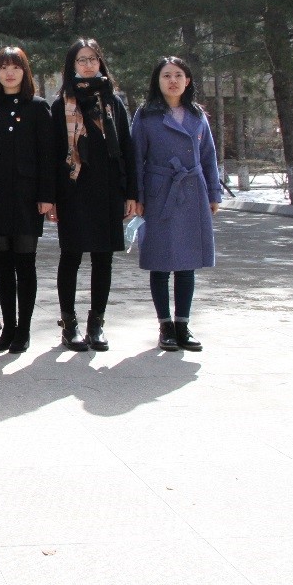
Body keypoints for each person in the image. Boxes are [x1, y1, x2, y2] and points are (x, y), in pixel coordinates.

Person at [48, 38, 138, 352]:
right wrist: (52, 197)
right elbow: (53, 155)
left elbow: (127, 148)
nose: (88, 65)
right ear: (71, 66)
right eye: (81, 60)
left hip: (108, 189)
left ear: (100, 63)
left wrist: (131, 192)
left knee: (103, 258)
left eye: (92, 59)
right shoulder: (61, 105)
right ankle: (68, 324)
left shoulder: (113, 102)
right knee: (70, 257)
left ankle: (96, 323)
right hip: (73, 190)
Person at [131, 56, 220, 352]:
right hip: (159, 193)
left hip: (192, 192)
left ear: (187, 81)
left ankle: (183, 324)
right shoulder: (146, 115)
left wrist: (213, 194)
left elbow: (208, 156)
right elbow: (136, 159)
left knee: (187, 263)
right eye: (166, 75)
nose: (173, 81)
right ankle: (165, 325)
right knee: (160, 262)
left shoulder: (197, 114)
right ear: (157, 81)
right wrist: (137, 197)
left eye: (178, 75)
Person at [0, 47, 56, 353]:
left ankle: (24, 330)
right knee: (1, 264)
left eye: (15, 67)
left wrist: (47, 195)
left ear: (25, 71)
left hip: (26, 196)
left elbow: (47, 155)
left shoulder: (38, 107)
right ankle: (8, 328)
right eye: (4, 67)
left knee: (25, 264)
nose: (9, 73)